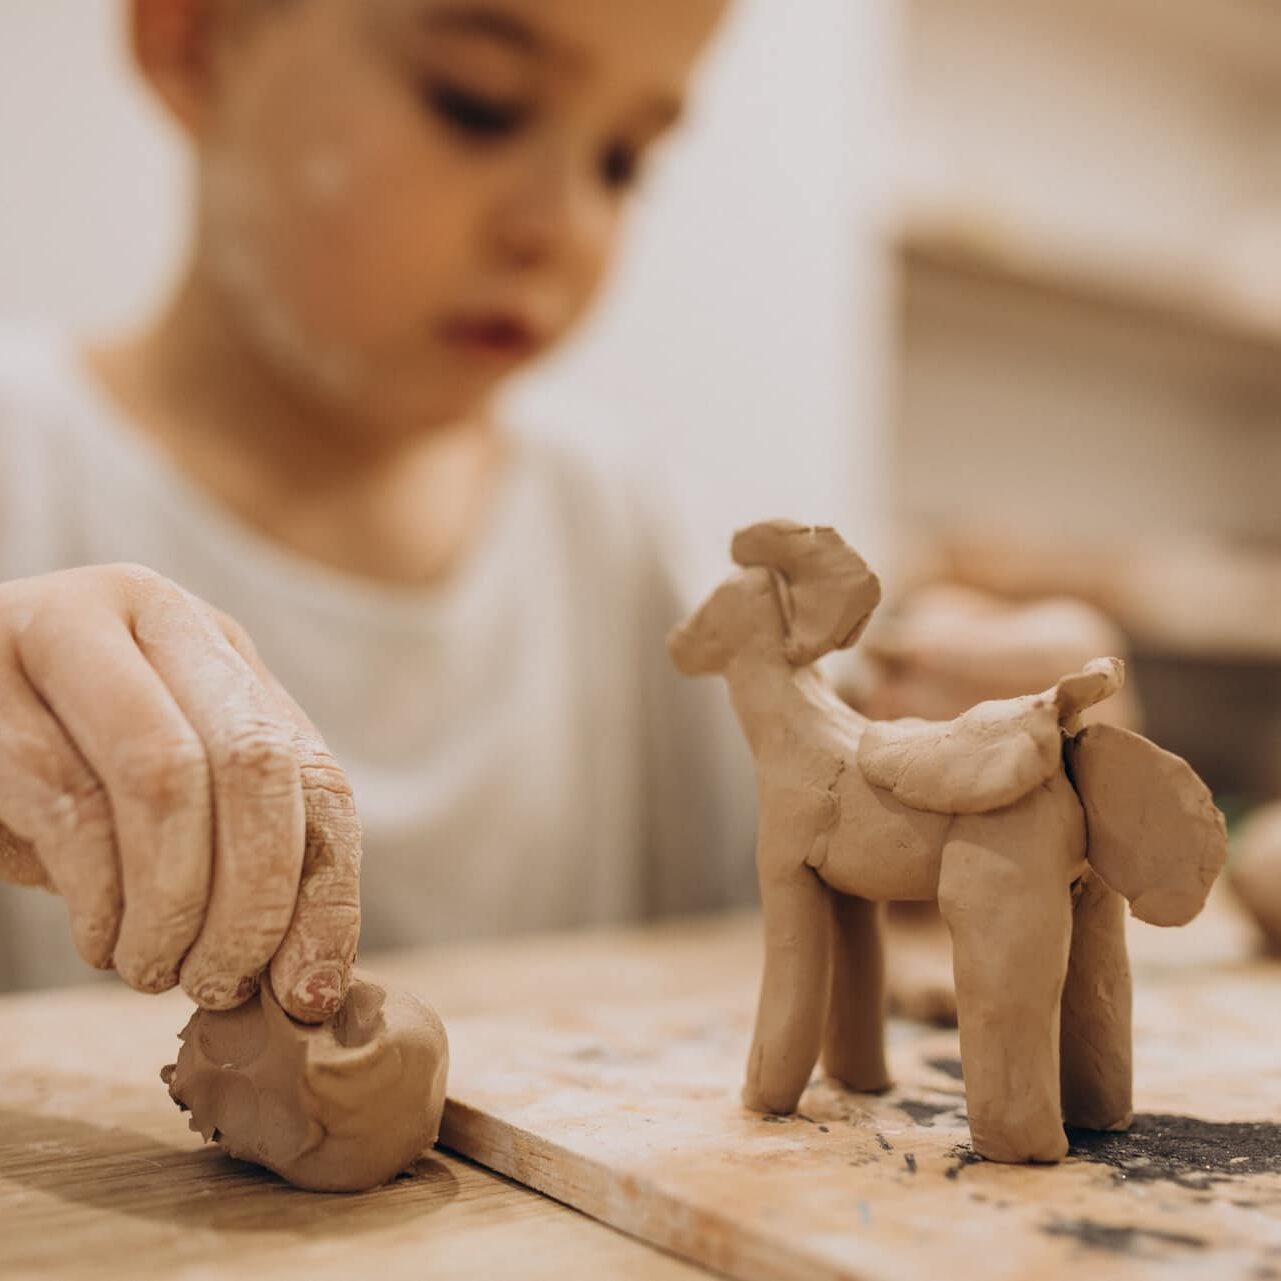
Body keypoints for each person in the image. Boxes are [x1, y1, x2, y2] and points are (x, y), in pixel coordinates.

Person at [0, 0, 753, 1020]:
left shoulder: (612, 528)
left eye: (623, 160)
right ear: (195, 40)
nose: (562, 226)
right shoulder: (25, 469)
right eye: (477, 105)